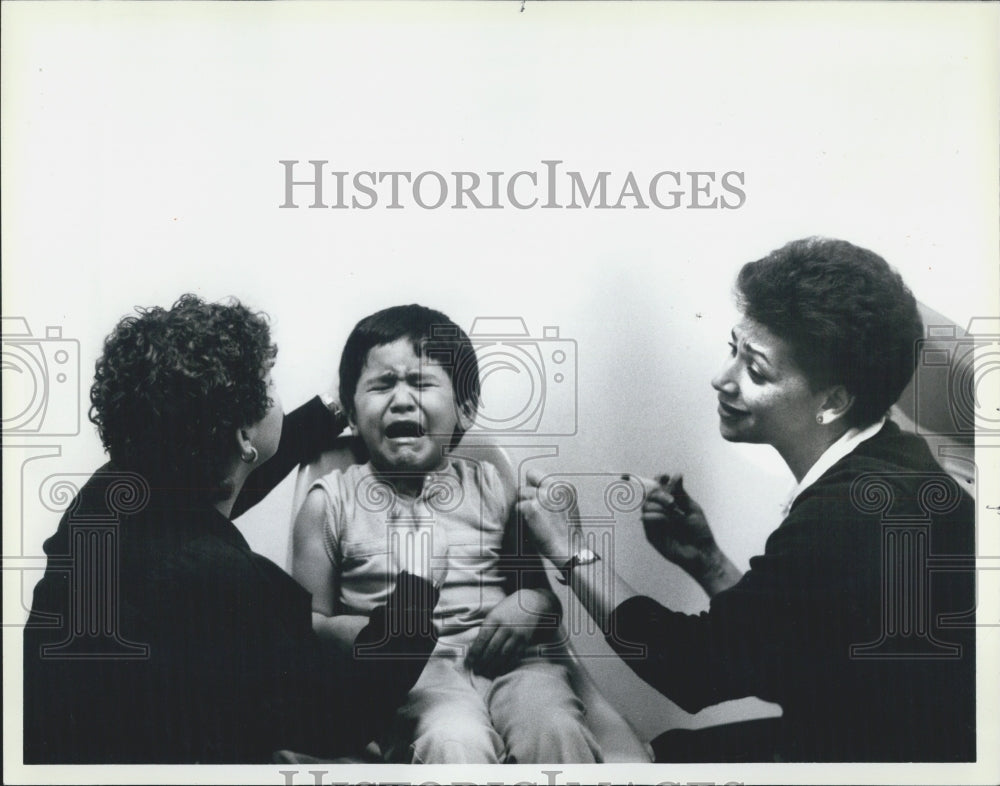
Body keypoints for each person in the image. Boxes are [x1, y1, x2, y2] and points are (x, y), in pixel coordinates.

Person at [517, 238, 976, 762]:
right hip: (889, 738)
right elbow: (794, 658)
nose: (721, 379)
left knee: (661, 759)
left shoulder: (848, 512)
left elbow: (692, 670)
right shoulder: (894, 464)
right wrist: (709, 562)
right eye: (732, 349)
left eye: (754, 370)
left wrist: (571, 550)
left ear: (833, 401)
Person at [23, 294, 440, 763]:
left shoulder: (112, 493)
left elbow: (238, 470)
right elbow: (335, 720)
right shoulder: (219, 579)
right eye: (270, 385)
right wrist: (415, 593)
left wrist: (335, 409)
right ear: (242, 436)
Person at [293, 304, 602, 763]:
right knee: (454, 742)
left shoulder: (493, 485)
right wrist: (369, 634)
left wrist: (530, 603)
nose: (400, 399)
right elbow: (307, 627)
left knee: (555, 729)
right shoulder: (329, 501)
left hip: (515, 667)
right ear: (353, 414)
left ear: (465, 408)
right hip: (414, 680)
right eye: (381, 385)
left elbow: (539, 594)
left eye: (420, 383)